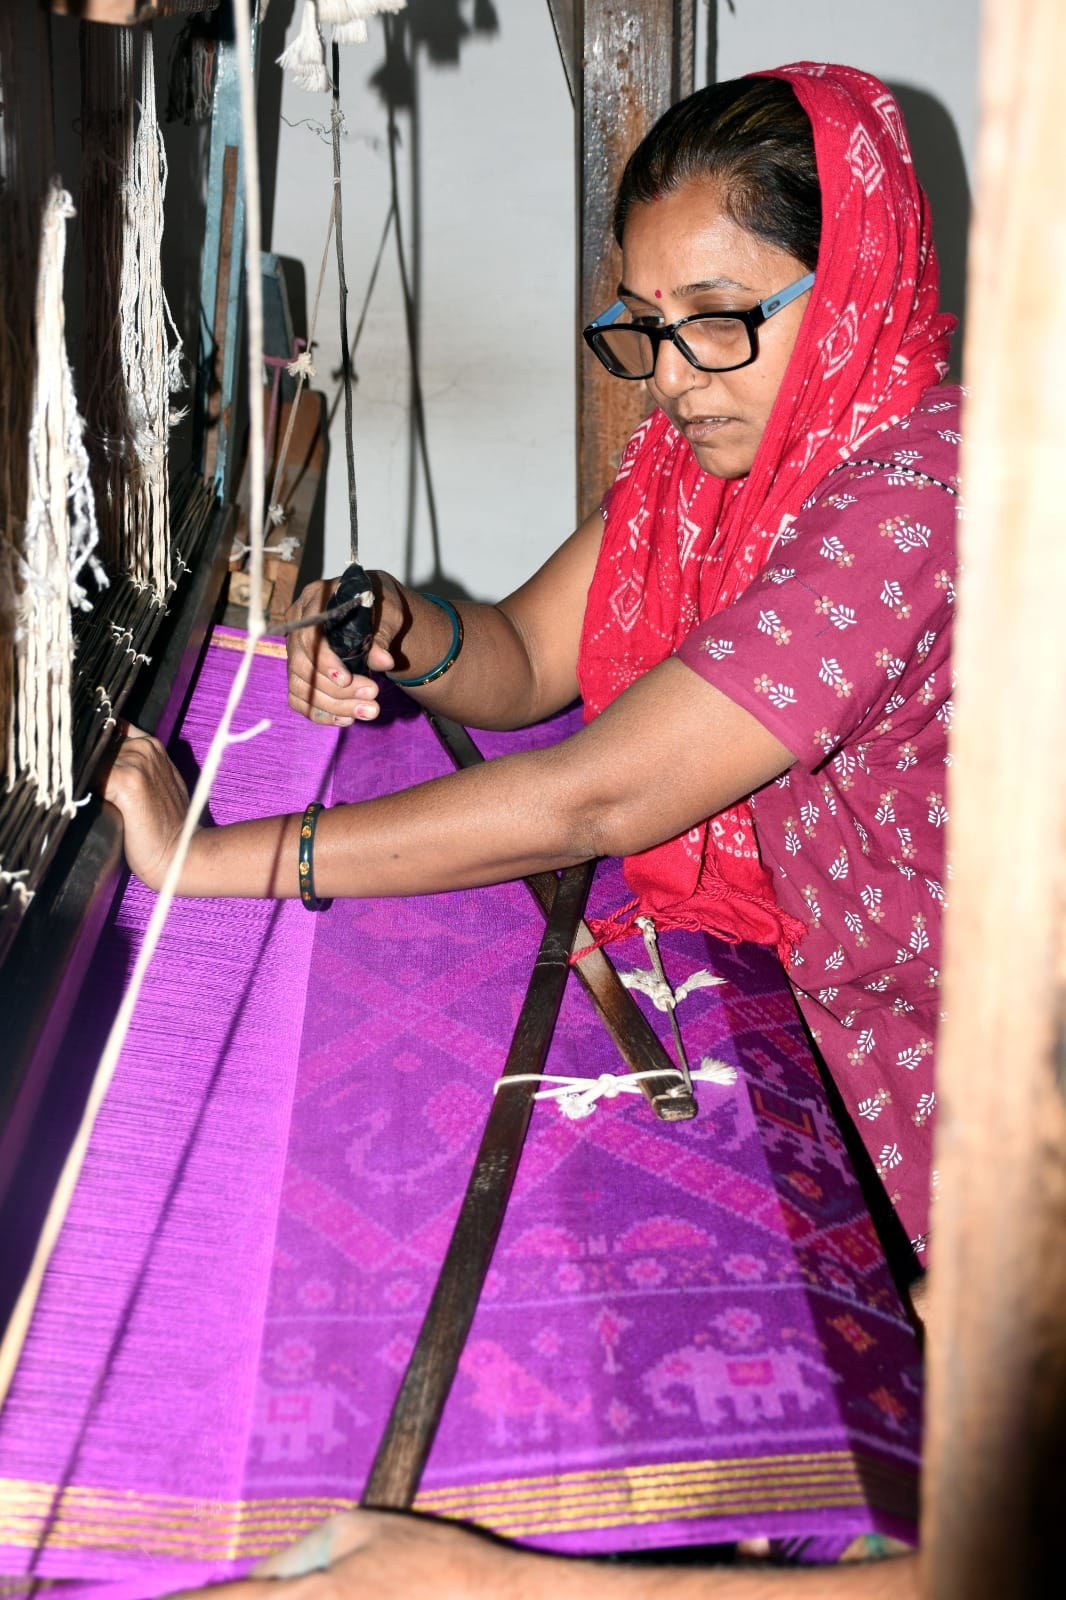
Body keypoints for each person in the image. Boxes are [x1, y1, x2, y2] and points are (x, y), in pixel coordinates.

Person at [105, 63, 957, 1594]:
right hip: (853, 1029)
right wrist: (396, 624)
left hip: (967, 1080)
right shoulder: (708, 469)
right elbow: (520, 659)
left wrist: (211, 861)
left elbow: (597, 793)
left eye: (719, 317)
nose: (671, 373)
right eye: (643, 324)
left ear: (853, 282)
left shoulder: (918, 492)